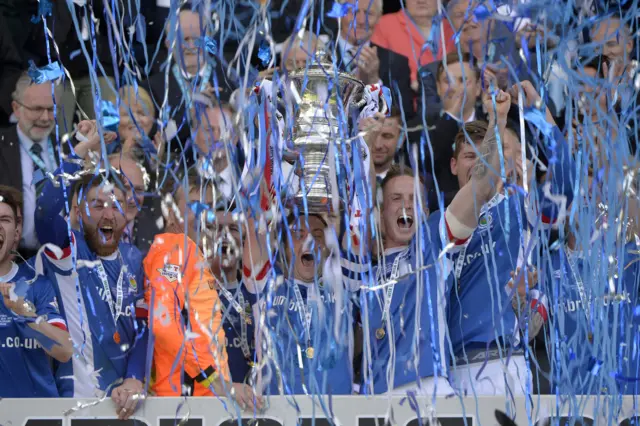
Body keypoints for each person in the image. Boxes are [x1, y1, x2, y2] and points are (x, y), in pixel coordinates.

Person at [440, 81, 573, 396]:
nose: (477, 164)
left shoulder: (520, 208)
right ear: (454, 165)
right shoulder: (439, 223)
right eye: (469, 156)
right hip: (449, 371)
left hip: (503, 363)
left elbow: (565, 181)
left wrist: (539, 111)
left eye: (487, 153)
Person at [34, 131, 148, 418]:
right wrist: (82, 150)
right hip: (77, 407)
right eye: (97, 205)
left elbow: (145, 328)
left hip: (126, 407)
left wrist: (135, 377)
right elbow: (45, 211)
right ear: (79, 211)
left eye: (116, 206)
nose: (108, 214)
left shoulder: (135, 259)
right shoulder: (68, 249)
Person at [348, 164, 456, 395]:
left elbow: (478, 189)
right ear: (381, 212)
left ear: (425, 214)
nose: (406, 205)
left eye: (414, 199)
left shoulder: (433, 249)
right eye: (396, 198)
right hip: (377, 398)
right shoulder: (364, 277)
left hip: (427, 389)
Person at [0, 185, 73, 397]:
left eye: (4, 220)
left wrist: (25, 313)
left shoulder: (35, 283)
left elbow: (64, 350)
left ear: (16, 232)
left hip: (36, 415)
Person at [147, 5, 237, 151]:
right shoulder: (152, 89)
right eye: (184, 39)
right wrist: (187, 115)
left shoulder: (232, 80)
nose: (190, 45)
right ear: (169, 44)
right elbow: (153, 139)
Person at [0, 72, 63, 260]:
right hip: (8, 261)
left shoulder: (67, 149)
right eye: (37, 109)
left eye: (51, 109)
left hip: (59, 261)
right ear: (16, 108)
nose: (45, 118)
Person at [409, 53, 485, 208]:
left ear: (478, 88)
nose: (454, 87)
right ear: (437, 87)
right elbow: (426, 164)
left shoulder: (493, 124)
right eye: (447, 81)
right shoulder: (419, 128)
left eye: (462, 80)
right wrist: (451, 117)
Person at [333, 0, 414, 117]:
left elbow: (402, 118)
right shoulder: (317, 54)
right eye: (353, 12)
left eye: (368, 14)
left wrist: (373, 80)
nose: (361, 21)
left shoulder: (396, 63)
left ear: (379, 18)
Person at [370, 0, 455, 91]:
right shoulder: (384, 24)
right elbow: (377, 70)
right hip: (404, 100)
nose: (421, 1)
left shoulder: (454, 26)